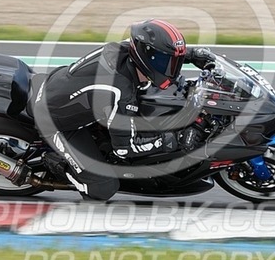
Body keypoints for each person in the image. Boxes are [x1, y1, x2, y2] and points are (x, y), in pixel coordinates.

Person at [32, 18, 215, 200]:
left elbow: (157, 53)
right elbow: (125, 149)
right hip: (53, 121)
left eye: (173, 61)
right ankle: (56, 164)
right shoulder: (120, 91)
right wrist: (172, 140)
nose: (172, 68)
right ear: (146, 55)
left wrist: (191, 55)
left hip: (62, 88)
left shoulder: (130, 50)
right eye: (168, 61)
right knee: (102, 188)